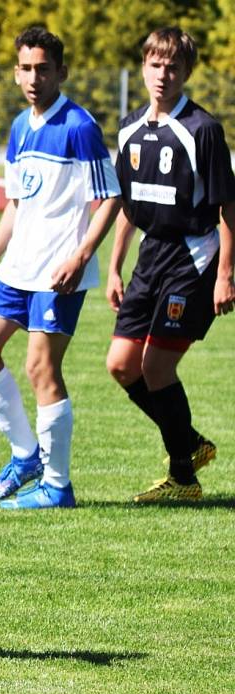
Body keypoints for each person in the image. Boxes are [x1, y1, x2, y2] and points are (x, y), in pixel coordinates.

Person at [0, 26, 121, 510]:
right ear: (16, 73)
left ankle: (57, 485)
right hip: (17, 269)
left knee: (40, 368)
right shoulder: (18, 127)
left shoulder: (79, 126)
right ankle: (25, 456)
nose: (35, 77)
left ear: (61, 72)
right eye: (27, 68)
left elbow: (111, 197)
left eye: (44, 69)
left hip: (58, 274)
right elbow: (16, 204)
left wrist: (80, 256)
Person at [106, 27, 235, 503]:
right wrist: (115, 266)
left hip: (193, 260)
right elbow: (126, 205)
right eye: (156, 65)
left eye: (174, 67)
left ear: (186, 73)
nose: (164, 75)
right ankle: (191, 444)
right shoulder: (128, 128)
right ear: (143, 67)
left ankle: (183, 477)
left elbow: (228, 208)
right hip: (149, 258)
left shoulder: (203, 130)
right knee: (121, 366)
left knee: (156, 366)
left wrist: (225, 275)